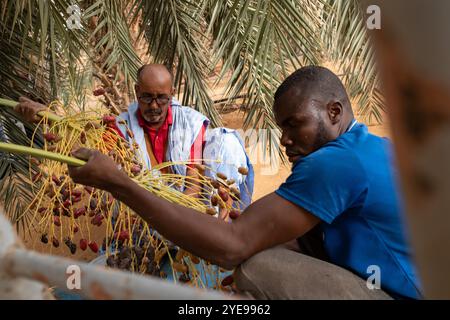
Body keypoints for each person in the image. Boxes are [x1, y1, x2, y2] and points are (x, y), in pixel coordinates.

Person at [53, 66, 423, 299]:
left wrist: (120, 184)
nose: (285, 140)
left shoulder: (334, 163)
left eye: (295, 124)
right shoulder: (373, 148)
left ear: (334, 112)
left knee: (257, 266)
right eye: (281, 128)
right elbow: (313, 233)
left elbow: (230, 248)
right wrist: (252, 227)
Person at [14, 64, 254, 209]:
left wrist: (181, 223)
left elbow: (194, 182)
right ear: (137, 92)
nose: (154, 106)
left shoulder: (190, 122)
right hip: (148, 210)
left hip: (193, 207)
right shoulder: (121, 127)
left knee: (226, 141)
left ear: (171, 94)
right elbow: (85, 146)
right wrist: (43, 118)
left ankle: (226, 222)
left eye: (162, 98)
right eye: (147, 97)